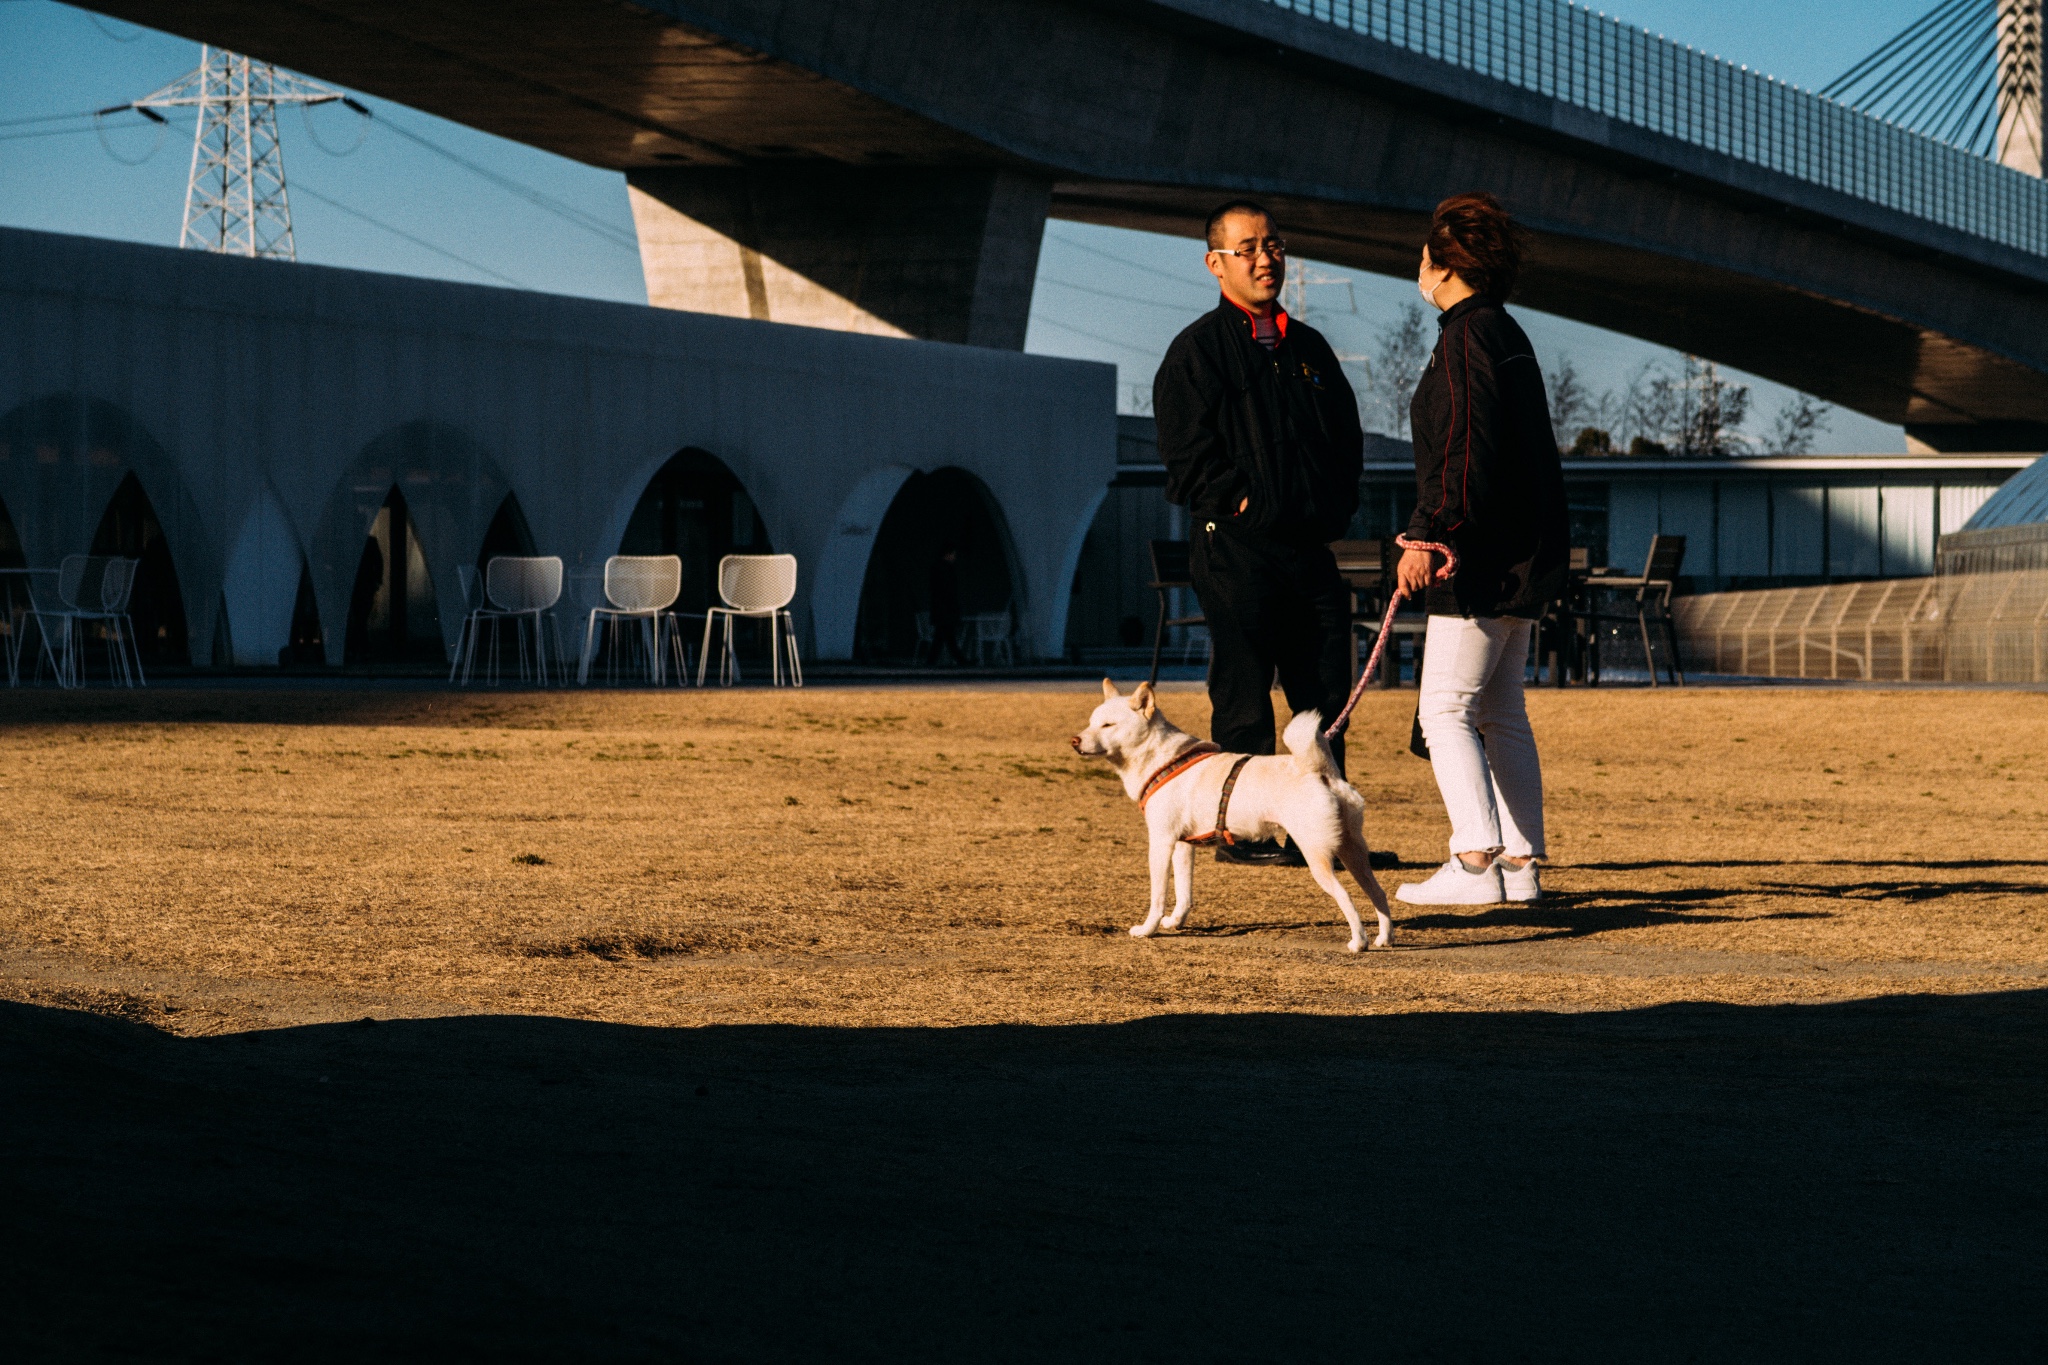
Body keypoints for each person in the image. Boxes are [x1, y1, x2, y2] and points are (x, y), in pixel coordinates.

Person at [1154, 200, 1365, 867]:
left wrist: (1332, 509)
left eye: (1273, 245)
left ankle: (1324, 831)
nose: (1265, 258)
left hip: (1310, 550)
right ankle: (1240, 834)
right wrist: (1242, 503)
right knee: (1244, 693)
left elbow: (1347, 442)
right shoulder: (1196, 353)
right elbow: (1187, 456)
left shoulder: (1309, 352)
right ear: (1216, 263)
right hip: (1235, 551)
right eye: (1248, 248)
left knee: (1326, 695)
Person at [1392, 192, 1570, 907]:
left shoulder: (1465, 337)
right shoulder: (1508, 333)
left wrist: (1435, 530)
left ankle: (1474, 861)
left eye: (1424, 256)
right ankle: (1521, 865)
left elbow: (1466, 442)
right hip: (1520, 554)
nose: (1419, 267)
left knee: (1444, 710)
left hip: (1479, 558)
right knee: (1500, 710)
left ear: (1440, 264)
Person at [927, 541, 970, 667]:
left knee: (943, 637)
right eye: (953, 554)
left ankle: (958, 660)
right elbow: (949, 591)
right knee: (944, 637)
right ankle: (960, 660)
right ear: (948, 554)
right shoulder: (946, 569)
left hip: (941, 610)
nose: (954, 557)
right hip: (945, 610)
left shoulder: (937, 568)